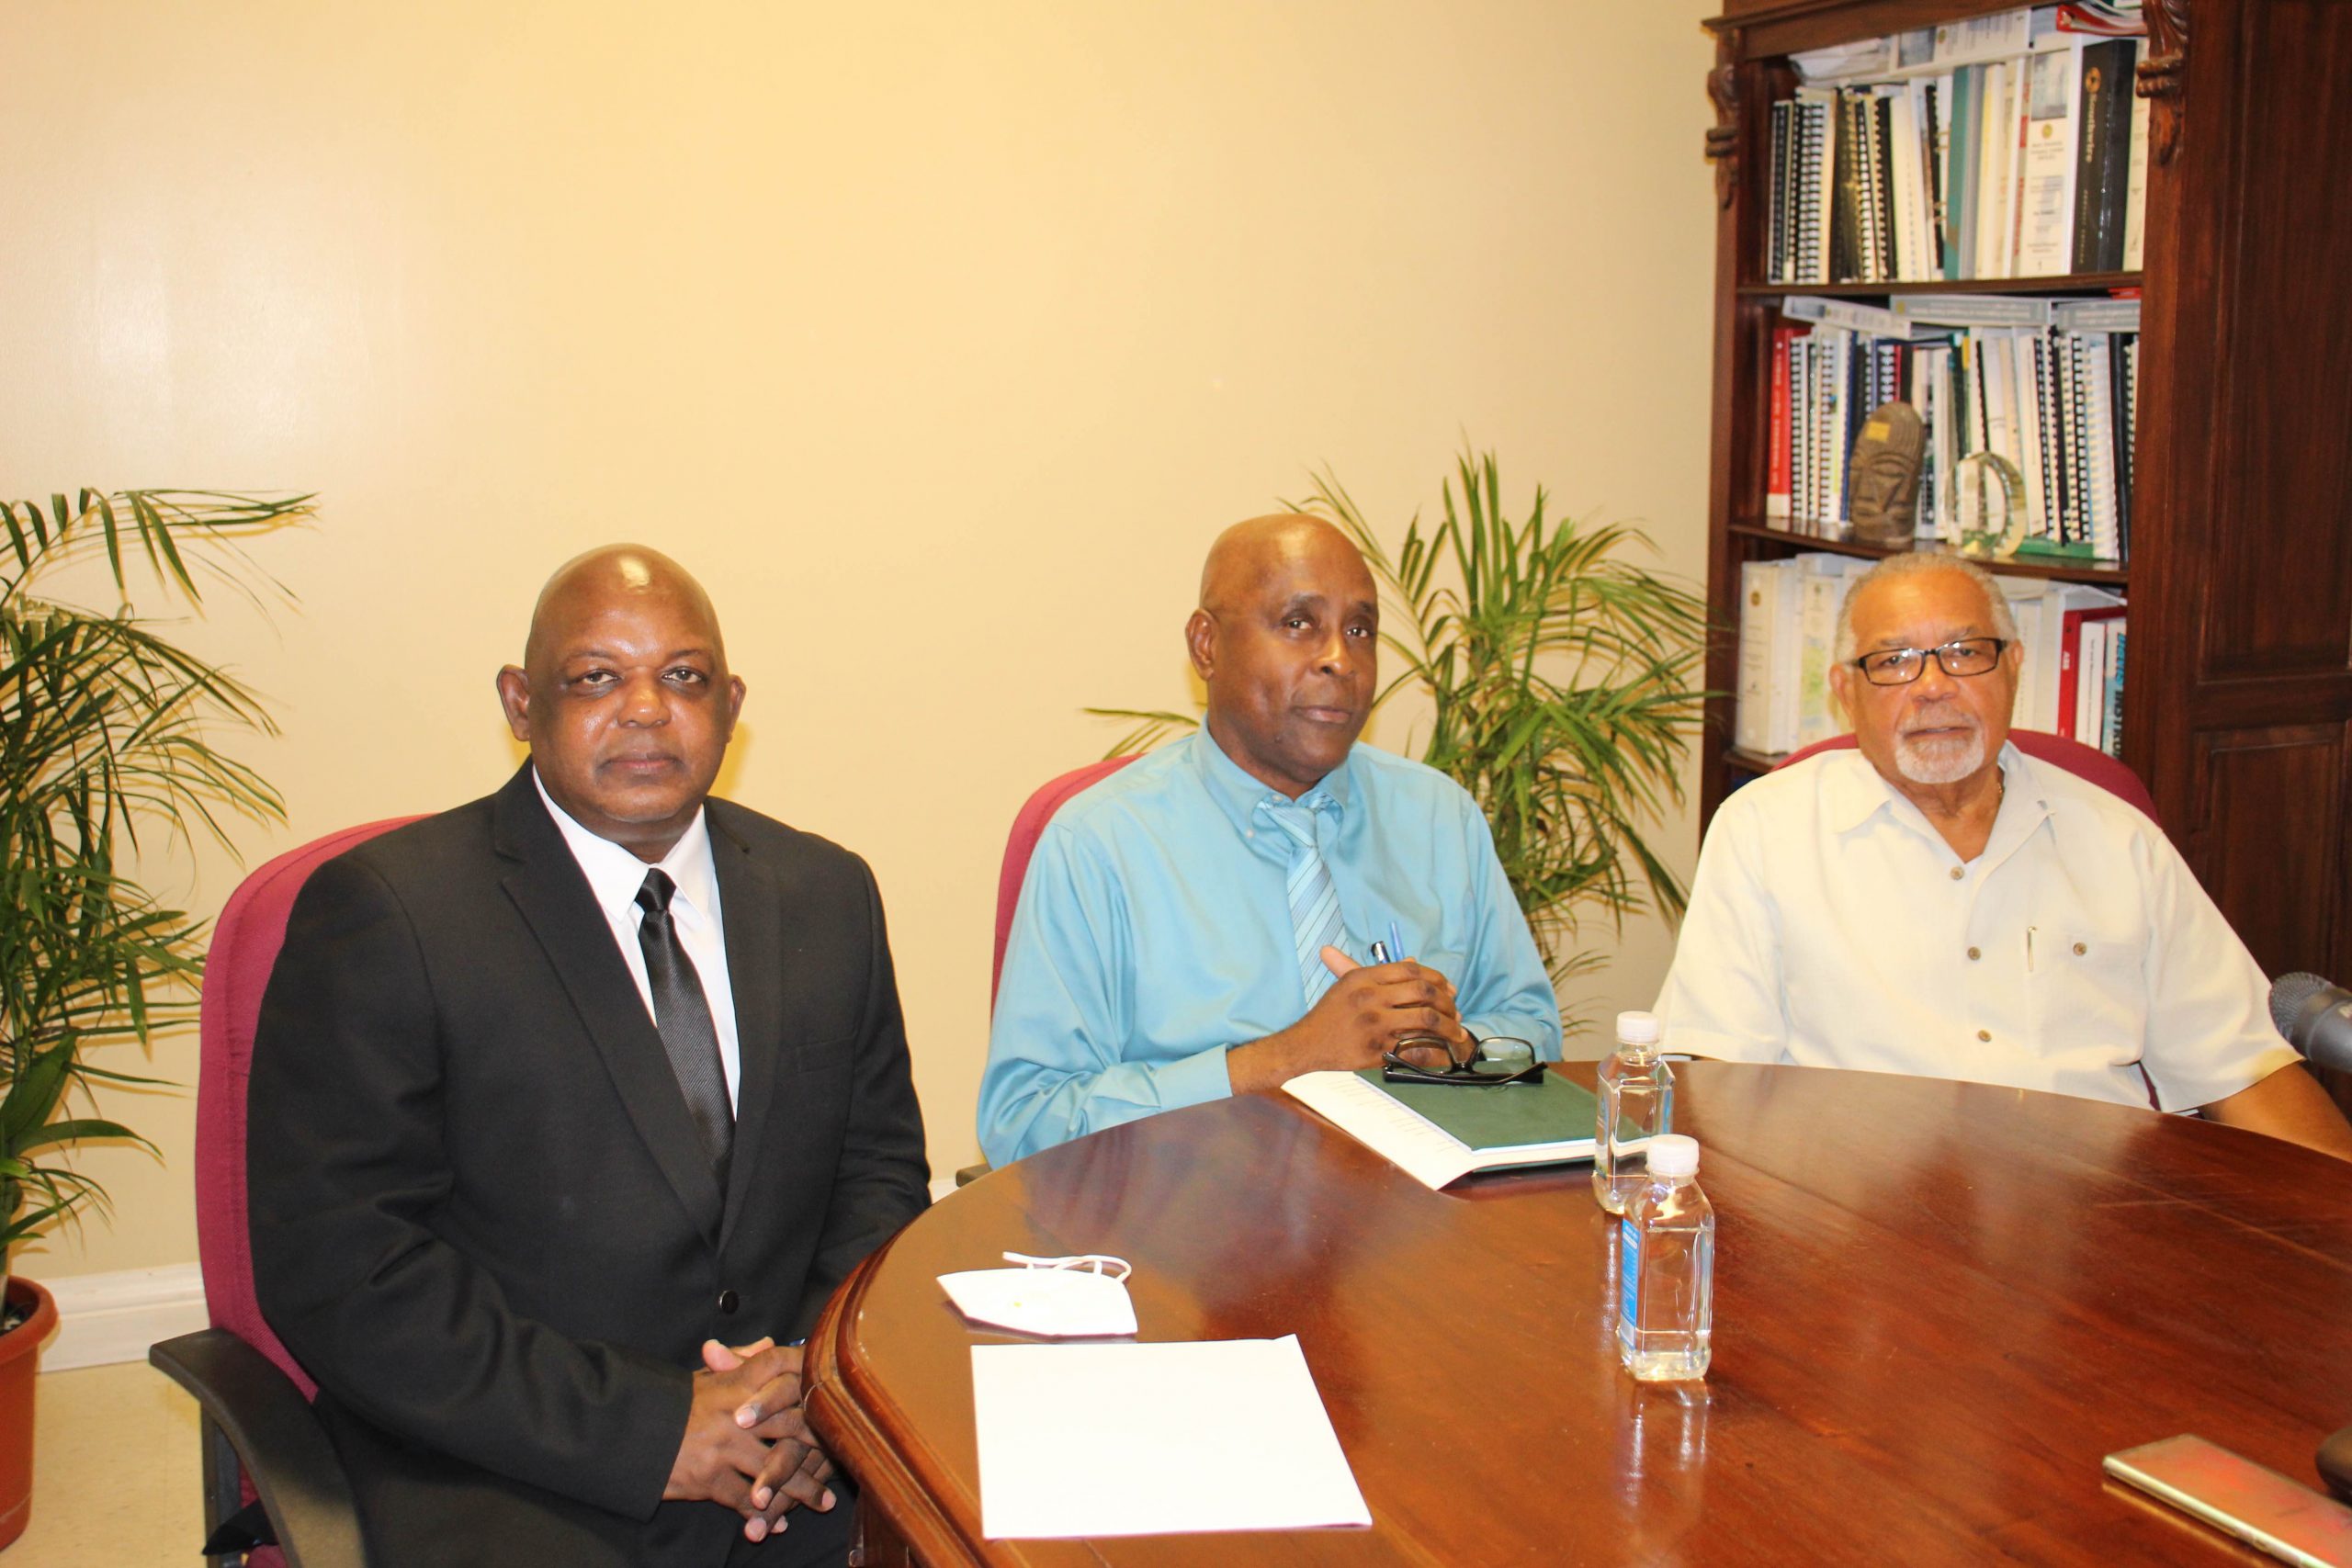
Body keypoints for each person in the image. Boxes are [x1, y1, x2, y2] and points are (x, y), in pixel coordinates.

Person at [249, 547, 931, 1566]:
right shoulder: (392, 913)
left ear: (732, 704)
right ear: (521, 702)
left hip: (791, 1440)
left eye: (685, 677)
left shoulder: (826, 892)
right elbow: (343, 1265)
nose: (647, 709)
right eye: (597, 677)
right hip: (513, 1455)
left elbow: (876, 1176)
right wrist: (655, 1432)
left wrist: (804, 1389)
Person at [1656, 551, 2352, 1159]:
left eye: (1966, 652)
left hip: (2099, 1226)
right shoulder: (1766, 830)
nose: (1934, 686)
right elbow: (1717, 1082)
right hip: (1860, 1228)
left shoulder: (2118, 838)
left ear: (2013, 667)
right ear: (1846, 691)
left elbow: (2247, 1066)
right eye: (1894, 660)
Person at [978, 513, 1562, 1166]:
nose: (1339, 658)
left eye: (1360, 629)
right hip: (1185, 1237)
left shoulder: (1439, 818)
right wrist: (1285, 1061)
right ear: (1206, 645)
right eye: (1297, 623)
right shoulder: (1100, 844)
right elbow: (1026, 1122)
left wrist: (1454, 1046)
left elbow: (1535, 1028)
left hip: (1415, 1229)